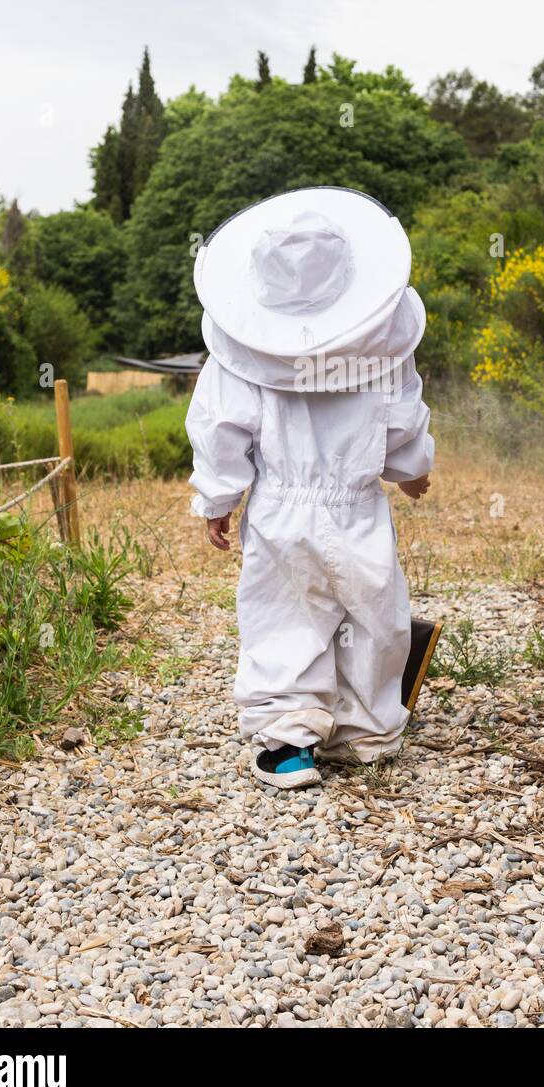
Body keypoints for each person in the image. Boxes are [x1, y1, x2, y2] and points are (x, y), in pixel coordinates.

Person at [186, 186, 433, 789]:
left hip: (279, 510)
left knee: (287, 614)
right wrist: (412, 471)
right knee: (373, 611)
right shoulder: (380, 343)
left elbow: (220, 426)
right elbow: (403, 417)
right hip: (358, 508)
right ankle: (365, 730)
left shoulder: (241, 356)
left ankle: (290, 739)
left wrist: (219, 498)